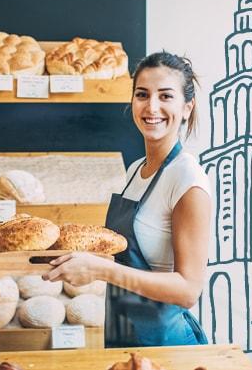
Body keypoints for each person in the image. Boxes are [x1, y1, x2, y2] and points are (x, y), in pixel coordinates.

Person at [43, 51, 211, 346]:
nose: (152, 106)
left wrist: (100, 269)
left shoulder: (187, 179)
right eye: (142, 95)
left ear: (187, 107)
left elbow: (188, 290)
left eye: (166, 96)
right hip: (123, 339)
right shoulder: (136, 170)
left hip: (167, 348)